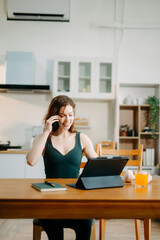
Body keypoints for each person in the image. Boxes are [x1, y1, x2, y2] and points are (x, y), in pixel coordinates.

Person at [26, 95, 98, 240]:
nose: (67, 119)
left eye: (70, 115)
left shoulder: (82, 138)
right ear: (53, 116)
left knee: (85, 223)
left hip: (75, 200)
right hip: (50, 200)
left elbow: (97, 165)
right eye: (62, 115)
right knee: (55, 231)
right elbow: (31, 161)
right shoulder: (43, 138)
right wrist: (46, 131)